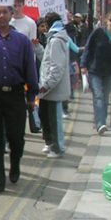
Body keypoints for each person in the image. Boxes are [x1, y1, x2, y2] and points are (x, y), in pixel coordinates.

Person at [0, 5, 39, 195]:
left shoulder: (22, 41)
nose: (1, 16)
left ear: (11, 15)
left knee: (16, 137)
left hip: (15, 94)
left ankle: (15, 164)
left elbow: (30, 68)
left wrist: (31, 96)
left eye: (5, 12)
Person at [80, 11, 111, 135]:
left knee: (105, 98)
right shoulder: (98, 32)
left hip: (110, 72)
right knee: (99, 96)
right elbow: (88, 48)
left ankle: (101, 122)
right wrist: (83, 65)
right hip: (95, 70)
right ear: (107, 20)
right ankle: (101, 123)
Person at [38, 12, 72, 157]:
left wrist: (46, 85)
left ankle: (58, 148)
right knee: (46, 117)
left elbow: (57, 67)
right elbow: (46, 60)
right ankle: (51, 144)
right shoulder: (54, 39)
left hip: (53, 89)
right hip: (48, 88)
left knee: (54, 120)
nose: (43, 28)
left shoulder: (56, 40)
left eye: (45, 25)